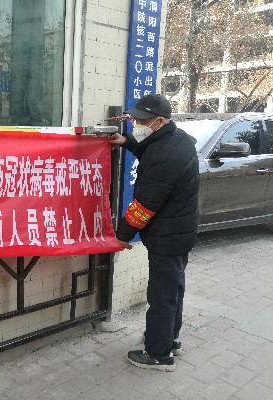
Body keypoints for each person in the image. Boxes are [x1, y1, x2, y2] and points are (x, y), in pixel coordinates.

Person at [109, 94, 199, 372]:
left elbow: (145, 204)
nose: (137, 123)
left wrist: (122, 235)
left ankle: (159, 354)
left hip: (167, 235)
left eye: (143, 120)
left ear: (159, 121)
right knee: (173, 288)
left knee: (161, 295)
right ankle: (170, 339)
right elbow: (150, 149)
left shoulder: (165, 155)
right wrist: (127, 142)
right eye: (136, 118)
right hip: (179, 231)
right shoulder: (177, 139)